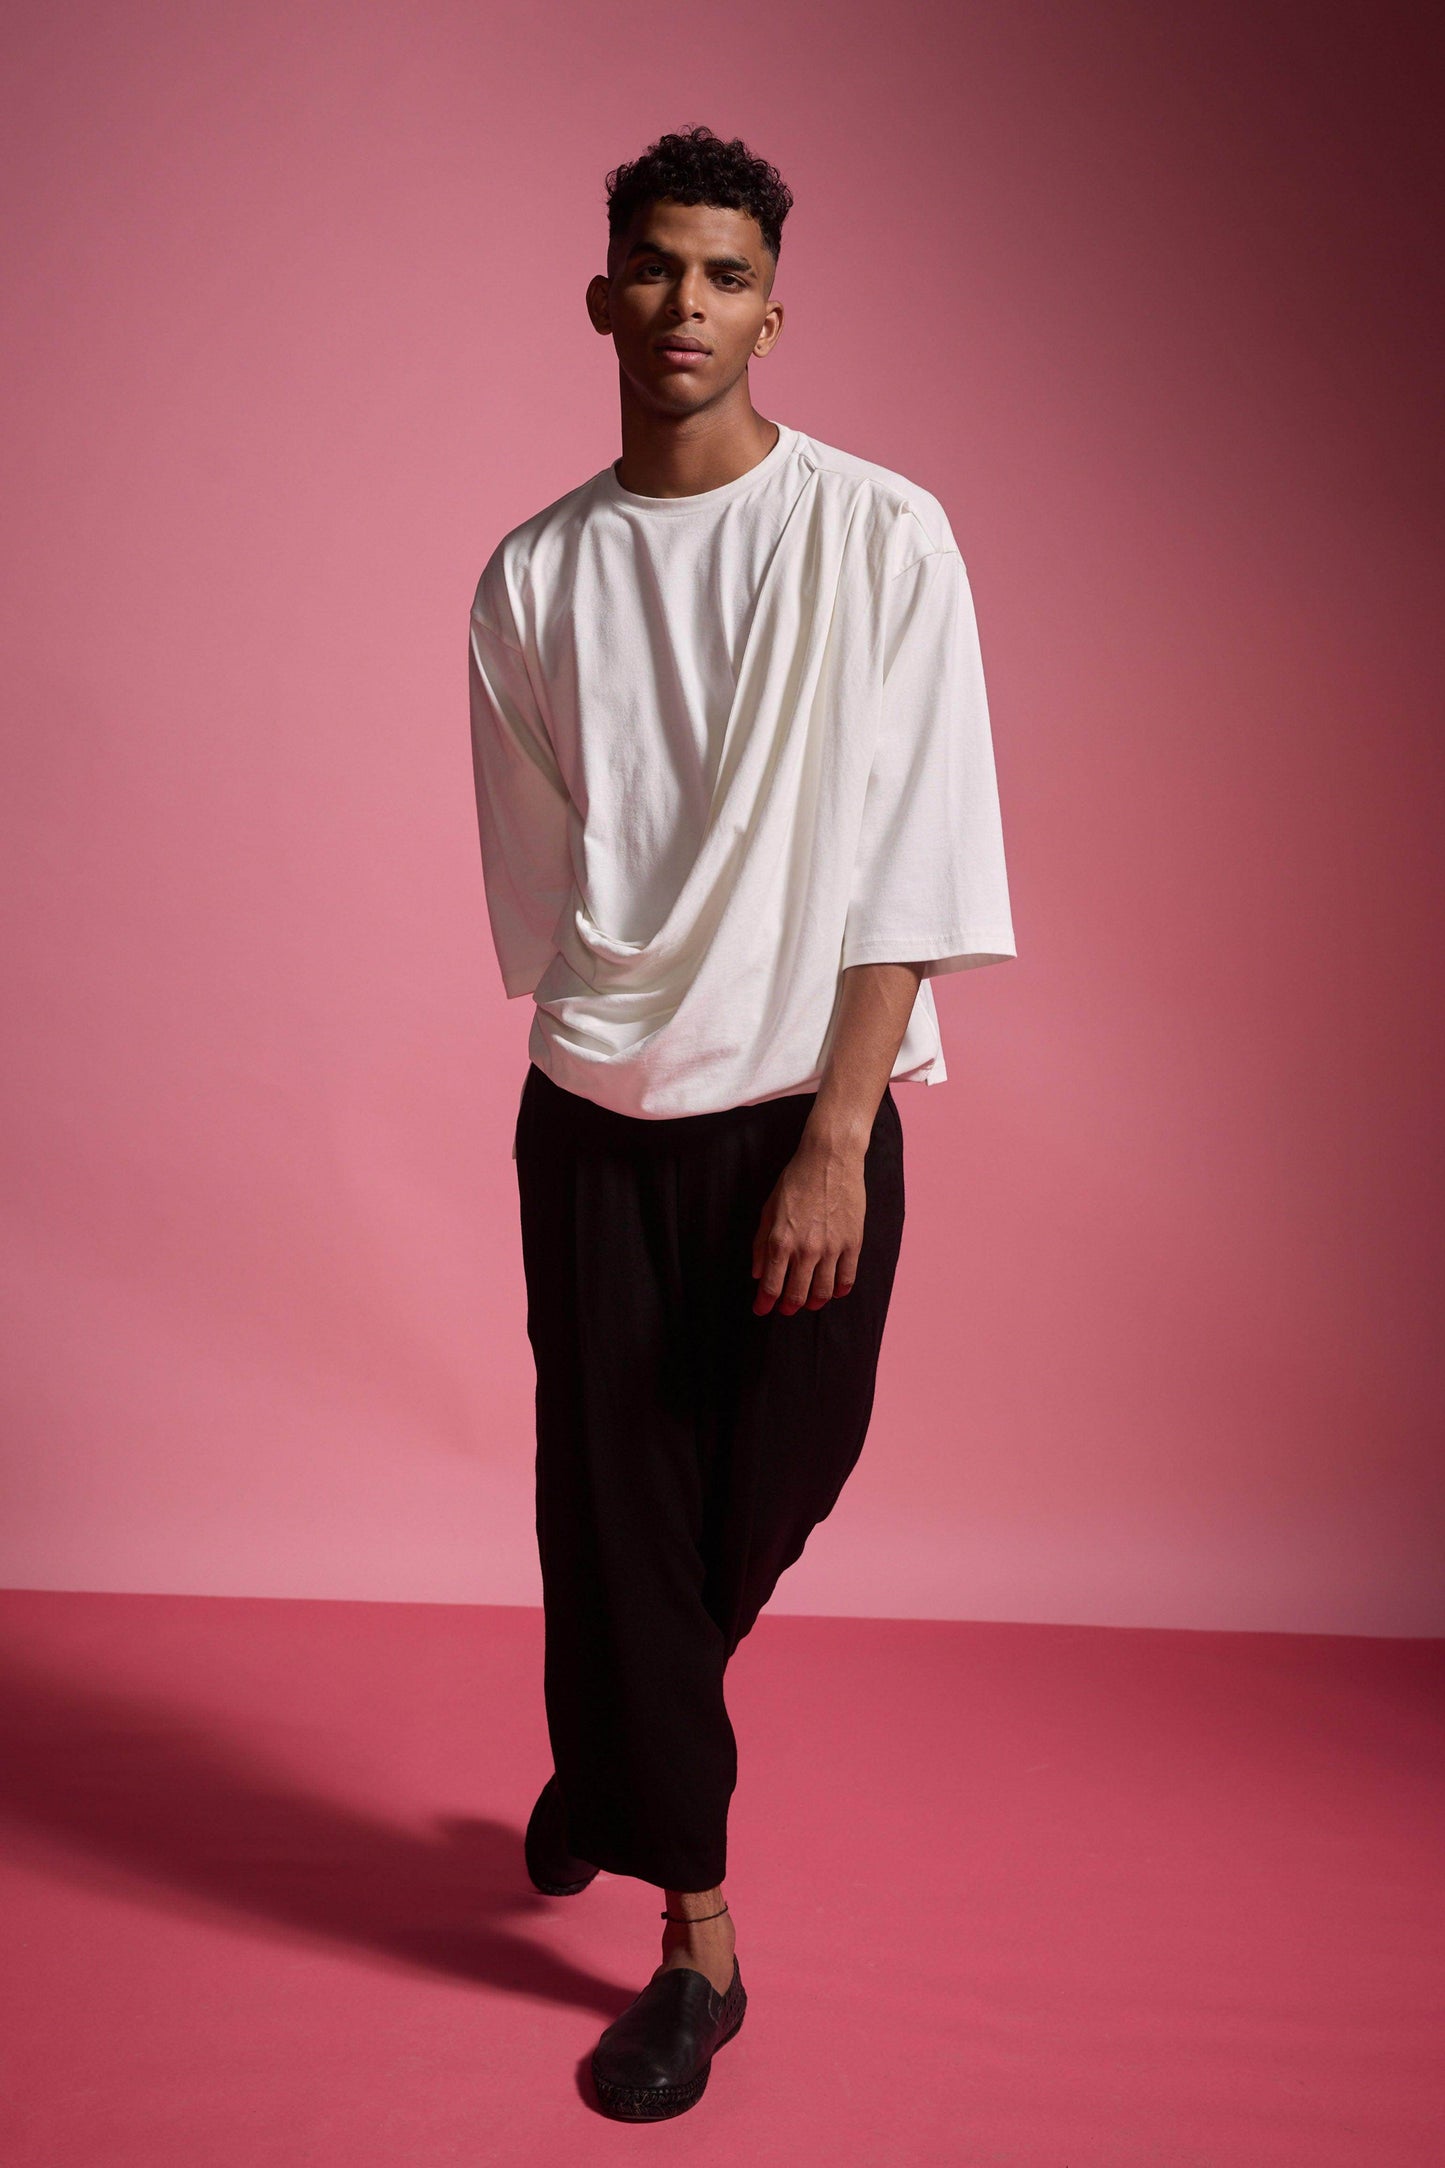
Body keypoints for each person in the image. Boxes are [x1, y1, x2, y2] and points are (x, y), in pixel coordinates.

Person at [466, 123, 1017, 2121]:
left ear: (773, 310)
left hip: (801, 1112)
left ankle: (619, 1751)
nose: (683, 302)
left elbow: (917, 848)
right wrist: (622, 1062)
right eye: (653, 266)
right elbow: (550, 894)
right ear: (600, 296)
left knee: (774, 1476)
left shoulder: (880, 537)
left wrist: (835, 1137)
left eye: (723, 273)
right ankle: (697, 1943)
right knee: (614, 1509)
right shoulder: (533, 575)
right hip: (596, 1115)